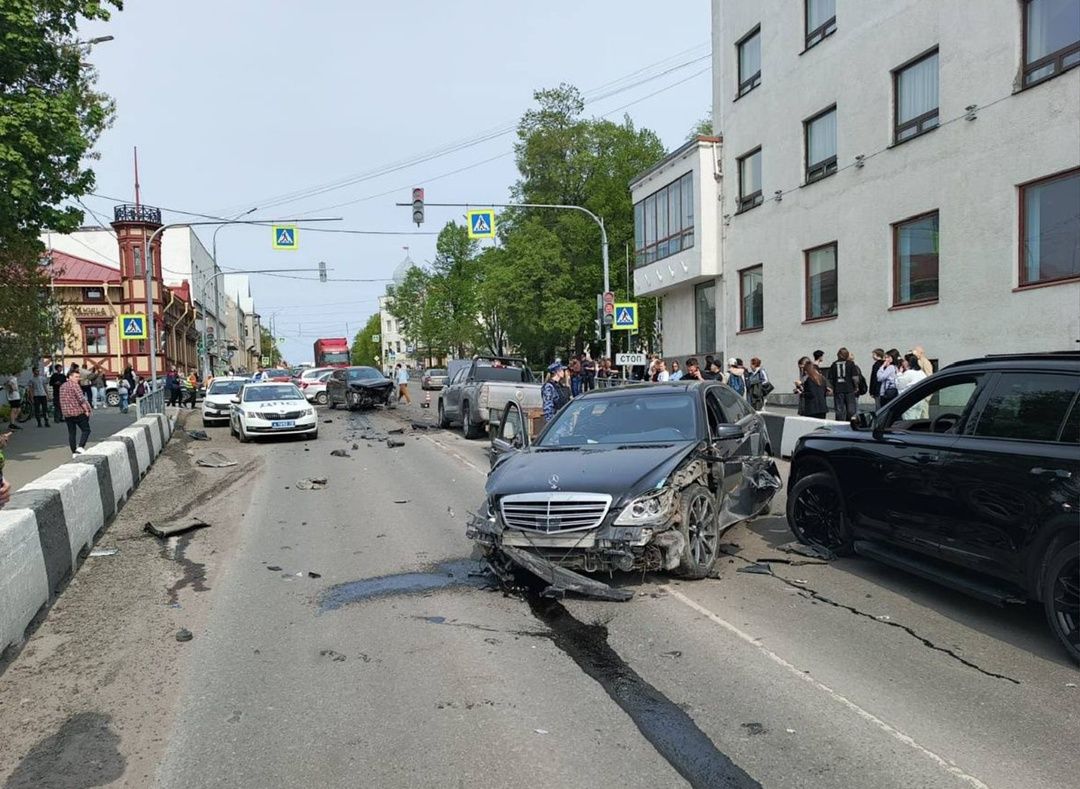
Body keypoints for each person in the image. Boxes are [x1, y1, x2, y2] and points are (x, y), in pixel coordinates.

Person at [59, 368, 92, 457]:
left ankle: (73, 452)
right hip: (77, 412)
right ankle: (80, 447)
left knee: (72, 433)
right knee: (86, 430)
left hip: (67, 413)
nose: (78, 379)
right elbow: (81, 399)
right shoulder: (75, 386)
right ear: (70, 377)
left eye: (78, 377)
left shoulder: (62, 386)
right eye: (76, 377)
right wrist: (86, 410)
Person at [827, 348, 859, 421]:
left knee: (839, 409)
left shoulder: (834, 364)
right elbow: (855, 378)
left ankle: (839, 423)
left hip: (838, 389)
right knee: (851, 409)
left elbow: (830, 379)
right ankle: (850, 422)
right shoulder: (851, 364)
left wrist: (833, 386)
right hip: (849, 389)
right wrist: (856, 386)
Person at [896, 353, 929, 420]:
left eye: (904, 360)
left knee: (908, 421)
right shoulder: (921, 373)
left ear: (908, 362)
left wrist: (899, 373)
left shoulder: (909, 373)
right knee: (917, 420)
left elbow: (899, 385)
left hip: (909, 401)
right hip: (920, 401)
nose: (903, 362)